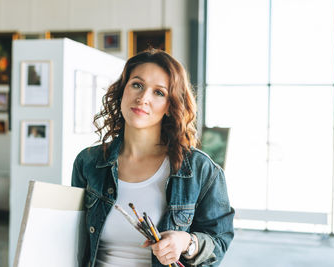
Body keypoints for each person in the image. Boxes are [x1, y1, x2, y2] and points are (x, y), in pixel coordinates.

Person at [72, 49, 235, 267]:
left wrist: (187, 242)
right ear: (122, 91)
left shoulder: (200, 169)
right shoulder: (88, 162)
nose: (143, 98)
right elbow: (73, 240)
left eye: (159, 92)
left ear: (170, 105)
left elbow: (219, 241)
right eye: (137, 85)